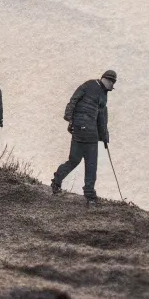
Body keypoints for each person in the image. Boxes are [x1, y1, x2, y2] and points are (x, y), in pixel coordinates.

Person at [51, 70, 117, 204]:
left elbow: (100, 117)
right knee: (91, 164)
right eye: (112, 84)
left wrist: (70, 119)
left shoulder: (93, 87)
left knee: (74, 160)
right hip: (87, 132)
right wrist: (69, 117)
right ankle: (90, 196)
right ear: (108, 80)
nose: (112, 88)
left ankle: (57, 181)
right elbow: (75, 100)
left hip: (79, 130)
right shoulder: (93, 87)